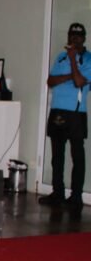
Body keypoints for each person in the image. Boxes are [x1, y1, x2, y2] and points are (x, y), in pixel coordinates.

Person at [39, 23, 91, 213]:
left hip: (76, 113)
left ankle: (76, 197)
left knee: (77, 156)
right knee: (57, 156)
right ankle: (57, 193)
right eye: (71, 35)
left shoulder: (89, 59)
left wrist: (72, 61)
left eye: (78, 36)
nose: (74, 38)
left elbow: (79, 82)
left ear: (84, 38)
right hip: (57, 111)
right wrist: (69, 73)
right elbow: (50, 81)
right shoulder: (60, 56)